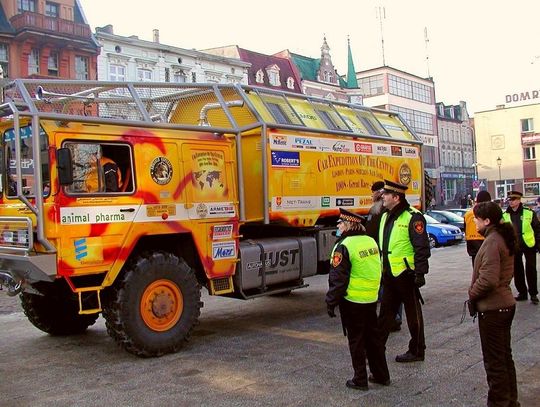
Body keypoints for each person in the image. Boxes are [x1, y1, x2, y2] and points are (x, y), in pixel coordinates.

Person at [326, 208, 390, 391]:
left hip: (352, 300)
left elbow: (338, 279)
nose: (338, 226)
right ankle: (381, 375)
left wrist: (331, 302)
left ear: (348, 224)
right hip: (370, 297)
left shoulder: (344, 246)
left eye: (340, 223)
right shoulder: (370, 241)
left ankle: (360, 379)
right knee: (373, 339)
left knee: (356, 341)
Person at [469, 201, 519, 407]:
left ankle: (499, 402)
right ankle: (510, 401)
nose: (474, 222)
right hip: (504, 304)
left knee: (495, 362)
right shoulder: (500, 237)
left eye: (476, 219)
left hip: (494, 308)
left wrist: (472, 293)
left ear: (487, 221)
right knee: (505, 358)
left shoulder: (492, 241)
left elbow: (488, 279)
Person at [377, 179, 431, 363]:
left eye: (385, 194)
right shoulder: (385, 216)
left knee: (413, 314)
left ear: (396, 197)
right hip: (389, 273)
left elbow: (421, 247)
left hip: (407, 275)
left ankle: (417, 350)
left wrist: (420, 273)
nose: (382, 196)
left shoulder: (413, 216)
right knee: (384, 314)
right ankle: (376, 350)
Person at [366, 180, 403, 332]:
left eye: (374, 192)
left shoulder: (381, 210)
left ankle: (393, 319)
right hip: (380, 255)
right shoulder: (376, 209)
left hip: (385, 255)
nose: (373, 195)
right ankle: (392, 318)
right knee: (388, 289)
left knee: (388, 289)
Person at [502, 190, 540, 304]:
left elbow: (537, 229)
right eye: (510, 200)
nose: (511, 202)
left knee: (531, 270)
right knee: (517, 270)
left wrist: (538, 243)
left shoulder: (529, 213)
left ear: (519, 200)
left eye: (513, 200)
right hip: (514, 246)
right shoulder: (505, 215)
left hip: (529, 245)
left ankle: (533, 293)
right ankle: (522, 293)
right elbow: (503, 232)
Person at [464, 190, 492, 265]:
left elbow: (465, 229)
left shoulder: (468, 214)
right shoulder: (487, 212)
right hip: (484, 241)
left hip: (472, 243)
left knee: (476, 267)